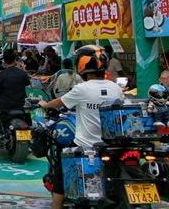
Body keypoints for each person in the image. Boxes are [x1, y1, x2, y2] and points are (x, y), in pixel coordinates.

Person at [38, 45, 124, 209]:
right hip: (113, 146)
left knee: (60, 175)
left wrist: (44, 104)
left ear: (82, 65)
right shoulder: (115, 88)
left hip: (86, 145)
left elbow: (58, 102)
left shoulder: (82, 89)